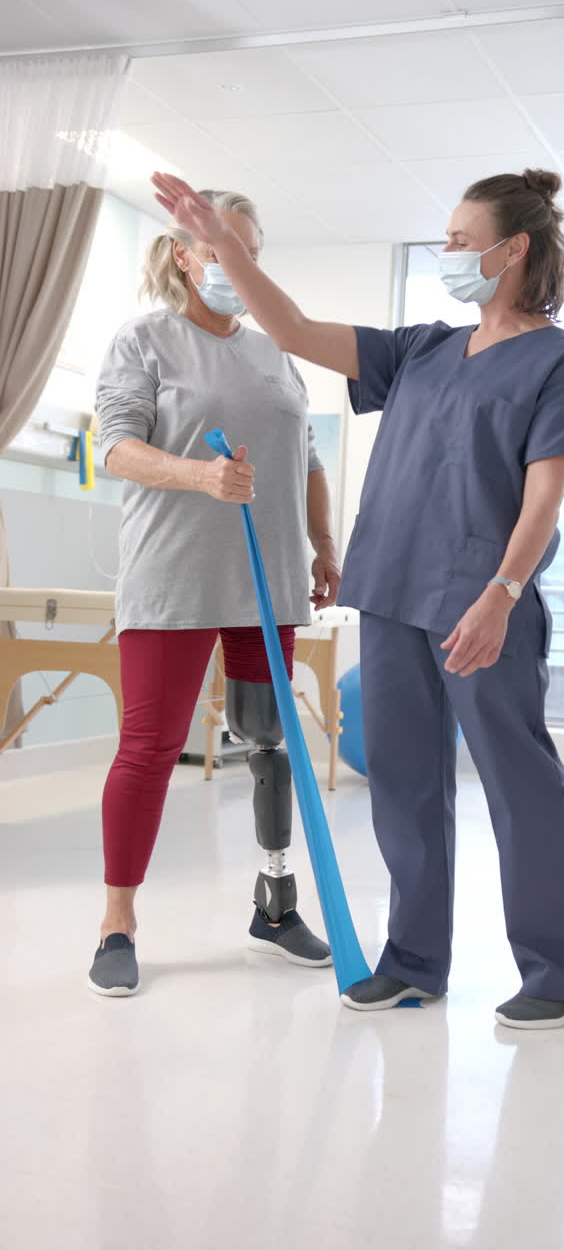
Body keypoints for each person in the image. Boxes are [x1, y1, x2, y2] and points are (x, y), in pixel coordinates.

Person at [152, 168, 564, 1029]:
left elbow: (545, 496)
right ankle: (412, 961)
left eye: (460, 239)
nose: (447, 251)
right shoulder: (421, 350)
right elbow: (292, 329)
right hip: (396, 592)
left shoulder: (563, 364)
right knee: (404, 784)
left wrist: (502, 593)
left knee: (518, 783)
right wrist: (219, 245)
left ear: (513, 249)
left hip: (482, 604)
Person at [89, 189, 341, 997]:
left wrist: (324, 545)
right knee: (150, 748)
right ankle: (118, 923)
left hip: (269, 580)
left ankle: (275, 906)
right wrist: (199, 475)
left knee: (270, 739)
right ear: (184, 254)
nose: (237, 263)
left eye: (250, 251)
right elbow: (116, 448)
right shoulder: (145, 339)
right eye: (220, 247)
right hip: (176, 575)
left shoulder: (275, 352)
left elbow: (307, 458)